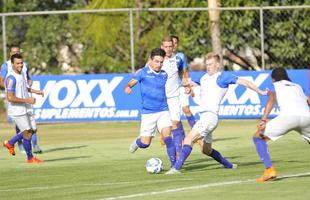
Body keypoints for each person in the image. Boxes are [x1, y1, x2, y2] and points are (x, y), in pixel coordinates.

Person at [166, 52, 268, 174]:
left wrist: (260, 91)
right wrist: (186, 86)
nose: (208, 66)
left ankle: (176, 168)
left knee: (189, 139)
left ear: (218, 65)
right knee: (206, 150)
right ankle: (229, 165)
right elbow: (187, 82)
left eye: (211, 64)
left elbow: (245, 82)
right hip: (205, 117)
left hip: (210, 116)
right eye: (207, 64)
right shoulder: (203, 78)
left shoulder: (222, 77)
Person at [253, 67, 310, 182]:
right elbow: (308, 100)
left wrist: (263, 120)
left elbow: (271, 99)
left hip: (288, 117)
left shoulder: (274, 85)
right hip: (306, 117)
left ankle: (269, 170)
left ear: (273, 79)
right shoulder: (297, 86)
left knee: (258, 137)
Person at [125, 48, 176, 167]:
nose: (159, 64)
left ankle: (174, 165)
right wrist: (128, 87)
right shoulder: (142, 73)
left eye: (161, 62)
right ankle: (137, 142)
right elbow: (130, 83)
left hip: (163, 111)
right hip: (148, 113)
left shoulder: (164, 74)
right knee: (145, 143)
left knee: (168, 137)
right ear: (151, 60)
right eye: (156, 61)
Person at [0, 46, 42, 154]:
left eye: (18, 52)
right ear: (11, 56)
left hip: (25, 103)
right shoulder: (8, 70)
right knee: (26, 131)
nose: (20, 65)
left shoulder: (23, 69)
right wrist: (11, 90)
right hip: (17, 104)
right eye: (17, 63)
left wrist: (35, 90)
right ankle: (29, 156)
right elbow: (7, 90)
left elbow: (24, 83)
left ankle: (11, 142)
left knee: (32, 130)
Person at [161, 36, 191, 157]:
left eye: (170, 46)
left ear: (173, 47)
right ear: (162, 47)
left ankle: (178, 154)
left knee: (175, 124)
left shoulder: (178, 59)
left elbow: (182, 73)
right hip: (161, 99)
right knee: (164, 130)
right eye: (166, 47)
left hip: (174, 97)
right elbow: (146, 70)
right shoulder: (158, 59)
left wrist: (186, 84)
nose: (168, 49)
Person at [171, 35, 196, 128]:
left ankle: (197, 133)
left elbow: (184, 72)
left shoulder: (180, 56)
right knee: (173, 114)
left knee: (186, 109)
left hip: (181, 87)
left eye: (175, 43)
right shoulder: (163, 57)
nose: (173, 45)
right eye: (171, 43)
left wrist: (188, 86)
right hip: (170, 89)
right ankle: (179, 137)